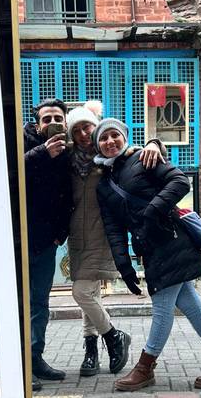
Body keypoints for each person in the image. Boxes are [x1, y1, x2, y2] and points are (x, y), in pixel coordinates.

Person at [94, 117, 201, 391]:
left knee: (161, 308)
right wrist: (124, 265)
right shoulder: (104, 184)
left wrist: (153, 209)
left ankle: (145, 367)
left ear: (124, 136)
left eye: (114, 135)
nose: (110, 141)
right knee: (192, 306)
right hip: (150, 248)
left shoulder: (145, 157)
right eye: (104, 138)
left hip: (171, 242)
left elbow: (180, 181)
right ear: (98, 146)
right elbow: (113, 227)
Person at [66, 101, 165, 377]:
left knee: (81, 293)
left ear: (95, 127)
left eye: (88, 127)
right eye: (77, 130)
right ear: (71, 135)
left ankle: (113, 336)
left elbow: (137, 153)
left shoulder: (110, 159)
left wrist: (155, 143)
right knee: (91, 294)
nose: (84, 134)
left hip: (102, 235)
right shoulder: (69, 160)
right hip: (76, 235)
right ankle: (90, 351)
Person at [24, 98, 72, 386]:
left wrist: (61, 231)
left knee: (39, 302)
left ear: (65, 121)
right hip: (19, 240)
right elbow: (11, 173)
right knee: (20, 302)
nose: (52, 123)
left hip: (47, 241)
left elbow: (70, 194)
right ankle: (21, 364)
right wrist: (43, 152)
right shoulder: (24, 142)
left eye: (57, 118)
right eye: (46, 119)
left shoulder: (69, 149)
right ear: (37, 123)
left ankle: (36, 357)